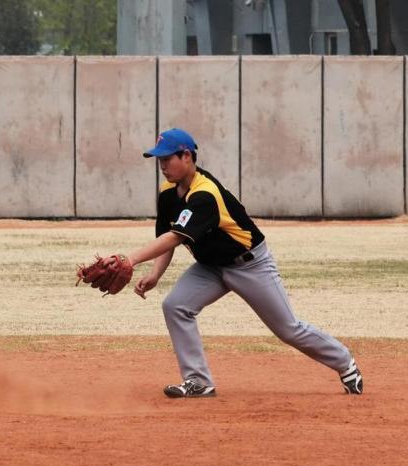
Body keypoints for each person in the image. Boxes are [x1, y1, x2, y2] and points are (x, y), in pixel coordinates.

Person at [122, 128, 362, 398]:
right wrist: (155, 274)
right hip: (210, 267)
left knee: (287, 329)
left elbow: (176, 237)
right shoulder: (168, 193)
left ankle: (345, 362)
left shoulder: (205, 195)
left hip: (249, 265)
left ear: (186, 156)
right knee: (176, 305)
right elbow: (167, 236)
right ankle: (198, 381)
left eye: (167, 159)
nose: (163, 166)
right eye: (159, 160)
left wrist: (129, 260)